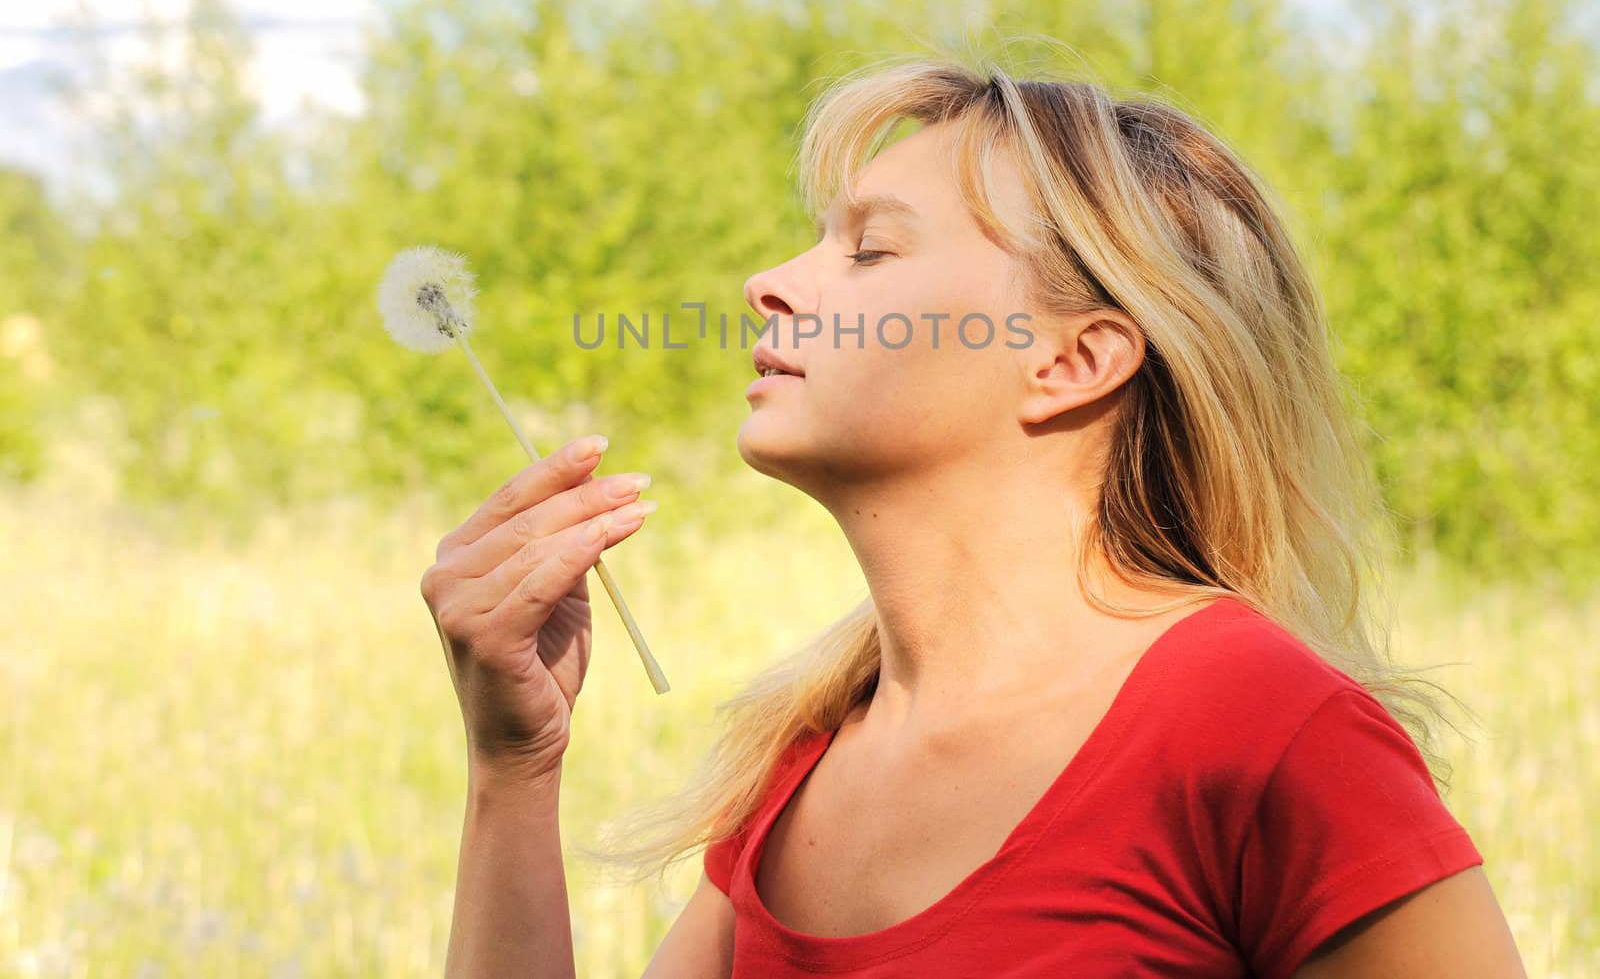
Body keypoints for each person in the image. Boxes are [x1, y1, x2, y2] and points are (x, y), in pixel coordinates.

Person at [419, 58, 1528, 978]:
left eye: (869, 248)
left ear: (1070, 359)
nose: (767, 282)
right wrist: (512, 772)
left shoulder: (1263, 727)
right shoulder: (805, 761)